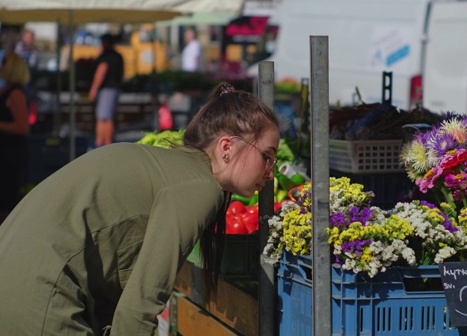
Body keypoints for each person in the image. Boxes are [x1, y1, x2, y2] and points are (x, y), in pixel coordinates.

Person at [0, 83, 280, 335]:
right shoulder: (199, 186)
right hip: (40, 291)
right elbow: (140, 307)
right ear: (226, 147)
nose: (270, 173)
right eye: (266, 156)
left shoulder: (172, 167)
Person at [0, 52, 30, 224]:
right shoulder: (7, 90)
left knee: (7, 201)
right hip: (6, 151)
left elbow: (22, 126)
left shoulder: (15, 93)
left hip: (10, 154)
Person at [89, 33, 124, 147]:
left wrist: (93, 89)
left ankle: (102, 142)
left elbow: (101, 72)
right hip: (115, 89)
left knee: (104, 118)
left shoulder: (107, 56)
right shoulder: (118, 56)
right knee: (108, 116)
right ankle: (106, 142)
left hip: (107, 89)